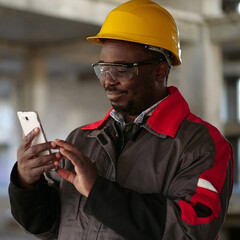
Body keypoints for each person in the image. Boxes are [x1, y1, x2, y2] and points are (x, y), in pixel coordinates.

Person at [9, 0, 234, 239]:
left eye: (122, 69)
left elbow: (191, 232)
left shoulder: (202, 145)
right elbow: (47, 227)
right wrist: (26, 183)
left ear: (159, 70)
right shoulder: (82, 139)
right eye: (104, 68)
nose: (108, 80)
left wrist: (99, 192)